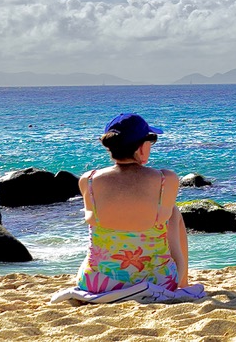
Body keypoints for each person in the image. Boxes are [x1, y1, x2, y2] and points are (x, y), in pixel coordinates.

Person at [75, 113, 189, 294]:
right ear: (141, 148)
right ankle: (183, 282)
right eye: (150, 142)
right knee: (173, 212)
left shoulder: (88, 180)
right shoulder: (165, 179)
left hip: (96, 283)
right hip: (160, 282)